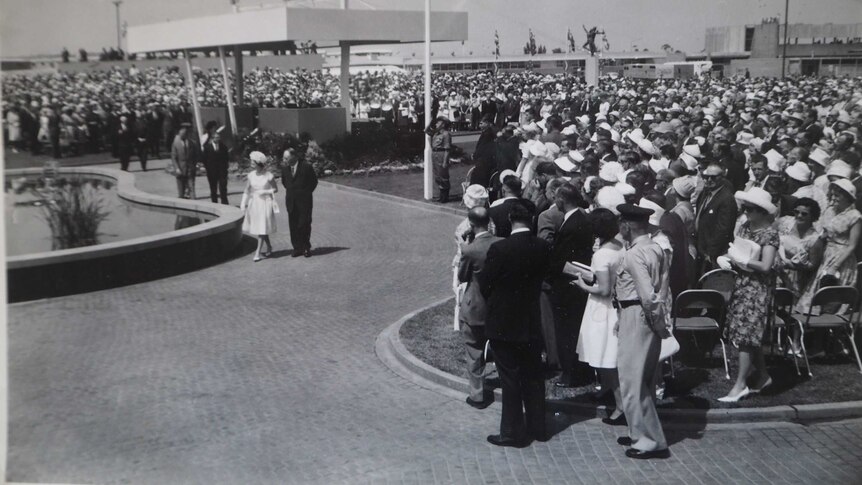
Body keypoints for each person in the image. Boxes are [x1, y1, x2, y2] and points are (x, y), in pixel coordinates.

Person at [480, 201, 551, 447]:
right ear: (531, 220)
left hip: (504, 322)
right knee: (533, 375)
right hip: (530, 319)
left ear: (511, 220)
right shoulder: (542, 246)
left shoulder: (500, 249)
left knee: (509, 378)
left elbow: (485, 284)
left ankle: (512, 432)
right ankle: (538, 427)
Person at [614, 203, 670, 460]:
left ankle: (648, 441)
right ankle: (643, 431)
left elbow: (647, 295)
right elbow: (664, 285)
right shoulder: (657, 247)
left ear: (626, 225)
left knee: (631, 380)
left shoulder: (634, 253)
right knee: (644, 379)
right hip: (640, 314)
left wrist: (655, 319)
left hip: (639, 315)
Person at [718, 188, 779, 402]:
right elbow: (737, 250)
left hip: (758, 288)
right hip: (743, 283)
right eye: (745, 208)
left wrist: (743, 261)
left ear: (762, 212)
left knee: (745, 335)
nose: (746, 212)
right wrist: (727, 257)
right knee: (747, 334)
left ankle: (740, 384)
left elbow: (766, 265)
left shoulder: (770, 234)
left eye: (751, 209)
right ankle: (762, 376)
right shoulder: (744, 227)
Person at [570, 208, 625, 425]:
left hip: (603, 309)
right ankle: (607, 389)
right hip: (613, 306)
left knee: (606, 359)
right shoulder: (620, 246)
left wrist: (582, 284)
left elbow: (603, 289)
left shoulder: (601, 254)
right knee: (606, 356)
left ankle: (620, 407)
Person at [547, 183, 594, 388]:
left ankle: (570, 374)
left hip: (567, 287)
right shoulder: (580, 218)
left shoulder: (572, 225)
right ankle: (575, 371)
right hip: (576, 284)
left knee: (566, 332)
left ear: (562, 200)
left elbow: (561, 259)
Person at [457, 207, 502, 410]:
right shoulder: (501, 242)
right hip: (497, 305)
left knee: (474, 350)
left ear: (471, 225)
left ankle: (477, 395)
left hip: (475, 305)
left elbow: (462, 276)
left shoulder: (470, 250)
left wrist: (465, 246)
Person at [796, 179, 861, 313]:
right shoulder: (830, 211)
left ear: (847, 197)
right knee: (812, 293)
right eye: (832, 194)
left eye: (838, 195)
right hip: (825, 254)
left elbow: (852, 245)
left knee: (830, 295)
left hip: (841, 259)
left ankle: (827, 327)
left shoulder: (855, 216)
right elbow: (822, 234)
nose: (834, 197)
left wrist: (835, 266)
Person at [775, 197, 823, 356]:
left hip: (801, 278)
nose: (799, 216)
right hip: (780, 273)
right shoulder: (786, 224)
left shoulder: (815, 239)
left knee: (795, 312)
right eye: (797, 212)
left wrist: (791, 264)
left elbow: (813, 265)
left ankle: (796, 342)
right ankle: (776, 339)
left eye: (804, 214)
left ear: (813, 217)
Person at [695, 164, 738, 276]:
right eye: (707, 177)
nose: (709, 180)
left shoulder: (727, 199)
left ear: (722, 177)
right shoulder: (704, 193)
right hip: (701, 247)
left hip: (714, 253)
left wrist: (710, 252)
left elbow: (723, 229)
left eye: (713, 177)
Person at [240, 151, 278, 262]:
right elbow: (247, 190)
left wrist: (265, 191)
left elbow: (276, 189)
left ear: (258, 163)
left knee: (262, 226)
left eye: (253, 161)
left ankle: (257, 253)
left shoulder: (268, 176)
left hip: (265, 203)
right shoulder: (251, 175)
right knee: (261, 227)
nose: (251, 163)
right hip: (254, 203)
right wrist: (243, 203)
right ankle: (269, 247)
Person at [281, 148, 318, 258]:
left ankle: (306, 247)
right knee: (293, 226)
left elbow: (314, 182)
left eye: (286, 158)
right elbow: (285, 182)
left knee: (304, 225)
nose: (284, 160)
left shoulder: (306, 166)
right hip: (291, 202)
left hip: (304, 202)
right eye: (284, 158)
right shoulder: (285, 169)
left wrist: (305, 193)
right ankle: (297, 248)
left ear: (294, 156)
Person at [426, 116, 452, 203]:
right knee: (437, 176)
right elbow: (426, 131)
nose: (436, 124)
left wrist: (445, 161)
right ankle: (441, 196)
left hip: (441, 154)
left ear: (443, 124)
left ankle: (445, 197)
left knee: (443, 175)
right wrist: (431, 122)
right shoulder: (436, 133)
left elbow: (447, 149)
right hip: (435, 154)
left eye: (438, 122)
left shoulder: (446, 134)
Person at [170, 125, 199, 199]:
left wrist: (194, 165)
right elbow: (174, 157)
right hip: (180, 169)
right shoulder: (175, 143)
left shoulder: (191, 143)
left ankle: (194, 202)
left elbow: (195, 155)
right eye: (182, 133)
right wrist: (176, 168)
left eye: (185, 133)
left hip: (190, 169)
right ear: (179, 134)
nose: (184, 135)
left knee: (191, 188)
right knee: (181, 192)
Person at [202, 131, 230, 204]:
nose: (217, 139)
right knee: (213, 189)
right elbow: (204, 159)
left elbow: (226, 158)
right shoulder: (207, 147)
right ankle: (214, 203)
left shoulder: (223, 147)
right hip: (212, 172)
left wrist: (225, 168)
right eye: (216, 137)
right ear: (212, 138)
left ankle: (225, 203)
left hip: (222, 171)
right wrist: (208, 168)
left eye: (218, 137)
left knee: (223, 188)